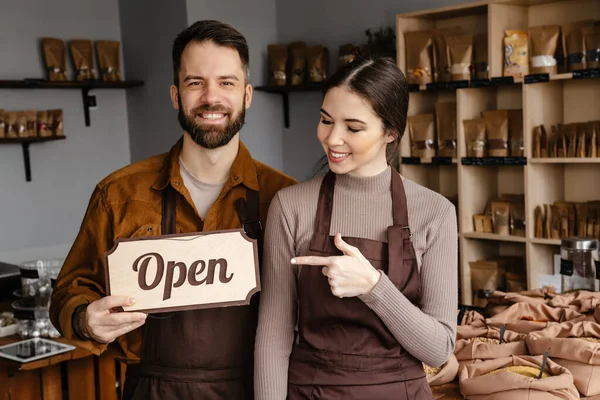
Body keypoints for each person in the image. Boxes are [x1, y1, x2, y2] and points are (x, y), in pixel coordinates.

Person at [49, 20, 297, 399]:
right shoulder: (118, 193)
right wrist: (86, 319)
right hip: (152, 390)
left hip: (256, 388)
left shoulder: (285, 197)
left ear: (247, 95)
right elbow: (71, 291)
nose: (211, 97)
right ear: (175, 95)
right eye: (195, 82)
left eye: (226, 83)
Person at [254, 56, 458, 399]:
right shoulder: (290, 207)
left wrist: (374, 287)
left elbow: (438, 349)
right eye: (325, 120)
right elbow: (274, 338)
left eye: (353, 127)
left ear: (391, 131)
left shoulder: (435, 212)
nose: (332, 138)